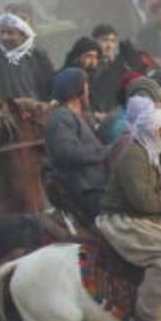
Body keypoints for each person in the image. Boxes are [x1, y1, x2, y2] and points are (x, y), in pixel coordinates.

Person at [95, 96, 161, 321]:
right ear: (152, 130)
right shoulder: (134, 157)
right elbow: (142, 200)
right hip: (121, 221)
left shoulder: (148, 154)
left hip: (136, 217)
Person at [46, 66, 111, 222]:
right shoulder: (61, 118)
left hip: (94, 186)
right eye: (86, 86)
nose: (88, 91)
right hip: (86, 191)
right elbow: (68, 153)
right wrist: (105, 152)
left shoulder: (74, 116)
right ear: (78, 91)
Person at [0, 12, 54, 105]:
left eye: (10, 33)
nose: (4, 37)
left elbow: (50, 89)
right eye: (2, 32)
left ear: (23, 35)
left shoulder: (39, 57)